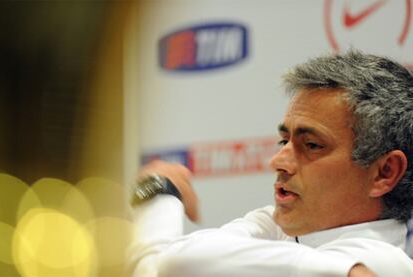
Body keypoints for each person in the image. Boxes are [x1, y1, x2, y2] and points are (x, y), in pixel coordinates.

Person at [129, 49, 413, 277]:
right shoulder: (279, 226)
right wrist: (161, 194)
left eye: (312, 146)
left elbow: (175, 264)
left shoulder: (385, 264)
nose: (278, 161)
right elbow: (167, 267)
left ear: (384, 173)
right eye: (283, 141)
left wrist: (158, 201)